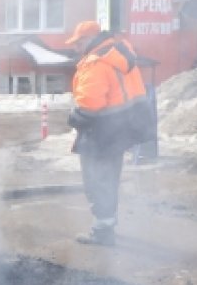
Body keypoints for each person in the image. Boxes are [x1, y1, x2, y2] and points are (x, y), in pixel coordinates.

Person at [65, 20, 153, 246]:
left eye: (78, 42)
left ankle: (102, 231)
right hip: (119, 129)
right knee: (109, 179)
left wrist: (74, 118)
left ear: (88, 39)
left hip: (101, 132)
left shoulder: (96, 62)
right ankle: (107, 224)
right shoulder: (119, 55)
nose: (76, 48)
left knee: (96, 181)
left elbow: (90, 103)